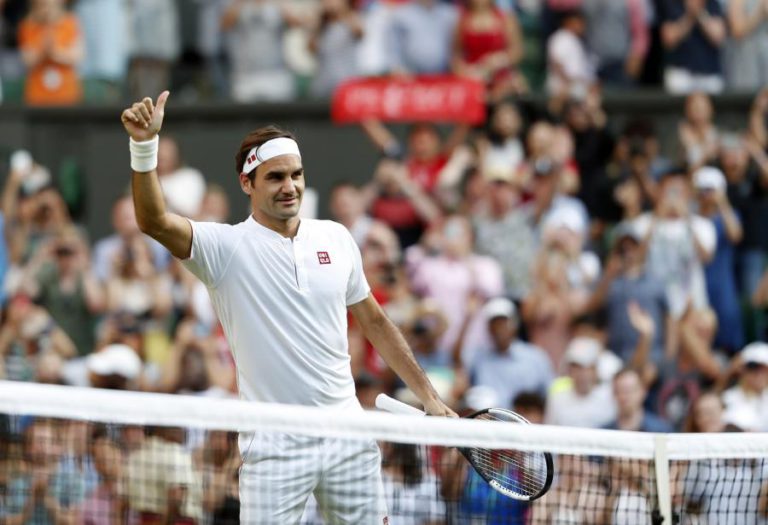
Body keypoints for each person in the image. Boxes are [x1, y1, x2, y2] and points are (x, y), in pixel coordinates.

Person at [120, 91, 455, 523]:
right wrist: (144, 146)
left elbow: (373, 319)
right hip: (274, 446)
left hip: (348, 436)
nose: (290, 186)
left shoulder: (336, 237)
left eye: (296, 175)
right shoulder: (224, 248)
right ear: (248, 183)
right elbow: (153, 221)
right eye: (275, 177)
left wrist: (429, 396)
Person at [18, 0, 84, 105]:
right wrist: (42, 51)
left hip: (67, 95)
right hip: (37, 96)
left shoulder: (70, 23)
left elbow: (77, 56)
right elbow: (27, 60)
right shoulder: (28, 26)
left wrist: (54, 53)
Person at [604, 368, 673, 432]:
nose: (623, 397)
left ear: (643, 391)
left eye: (628, 391)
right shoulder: (604, 432)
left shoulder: (661, 430)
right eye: (618, 391)